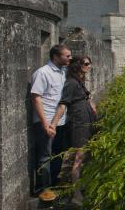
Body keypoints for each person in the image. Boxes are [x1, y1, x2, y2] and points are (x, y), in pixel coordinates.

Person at [51, 55, 96, 205]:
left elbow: (85, 99)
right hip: (79, 123)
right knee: (79, 157)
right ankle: (76, 195)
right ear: (78, 65)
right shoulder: (71, 83)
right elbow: (63, 104)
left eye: (89, 63)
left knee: (84, 156)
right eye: (86, 64)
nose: (89, 66)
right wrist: (53, 124)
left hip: (86, 121)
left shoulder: (79, 81)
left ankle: (81, 186)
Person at [30, 44, 72, 200]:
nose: (70, 58)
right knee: (44, 156)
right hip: (45, 121)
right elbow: (36, 98)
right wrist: (44, 123)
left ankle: (54, 183)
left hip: (60, 121)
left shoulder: (63, 72)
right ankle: (43, 189)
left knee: (57, 154)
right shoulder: (43, 73)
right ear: (56, 56)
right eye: (67, 56)